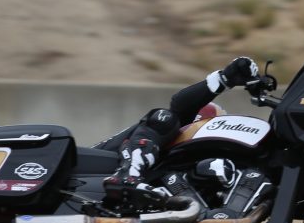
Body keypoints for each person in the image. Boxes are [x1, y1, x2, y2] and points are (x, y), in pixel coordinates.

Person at [100, 56, 259, 203]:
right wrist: (224, 79)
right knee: (165, 118)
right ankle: (128, 175)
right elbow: (179, 104)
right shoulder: (172, 126)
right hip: (97, 162)